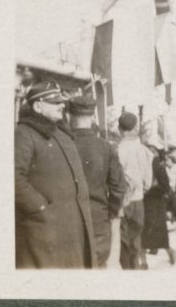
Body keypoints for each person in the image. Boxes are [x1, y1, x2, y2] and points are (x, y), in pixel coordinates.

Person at [15, 82, 96, 268]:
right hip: (44, 234)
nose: (62, 105)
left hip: (73, 232)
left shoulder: (62, 134)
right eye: (55, 102)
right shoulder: (24, 134)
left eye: (61, 101)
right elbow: (13, 178)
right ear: (38, 106)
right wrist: (41, 208)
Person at [66, 94, 125, 268]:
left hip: (67, 221)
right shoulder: (106, 147)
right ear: (92, 117)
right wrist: (112, 213)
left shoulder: (61, 144)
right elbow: (118, 188)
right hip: (98, 219)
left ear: (69, 115)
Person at [116, 110, 155, 269]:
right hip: (138, 199)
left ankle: (127, 270)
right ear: (135, 128)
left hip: (121, 200)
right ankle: (136, 267)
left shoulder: (115, 150)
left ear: (119, 129)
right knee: (136, 237)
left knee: (122, 238)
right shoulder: (143, 150)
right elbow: (148, 181)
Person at [141, 134, 176, 264]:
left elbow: (165, 186)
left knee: (149, 231)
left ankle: (167, 252)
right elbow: (165, 186)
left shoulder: (153, 166)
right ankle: (146, 260)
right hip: (152, 202)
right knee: (153, 231)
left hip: (150, 201)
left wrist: (148, 190)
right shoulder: (153, 165)